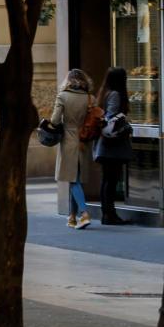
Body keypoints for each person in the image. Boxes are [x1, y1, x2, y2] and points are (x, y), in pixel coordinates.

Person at [51, 69, 94, 229]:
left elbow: (54, 121)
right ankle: (72, 217)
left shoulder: (62, 96)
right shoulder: (90, 98)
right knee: (74, 178)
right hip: (84, 141)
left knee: (73, 179)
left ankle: (84, 213)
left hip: (68, 140)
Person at [94, 67, 134, 225]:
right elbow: (112, 118)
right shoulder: (116, 94)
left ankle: (107, 214)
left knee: (107, 179)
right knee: (111, 180)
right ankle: (109, 215)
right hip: (112, 145)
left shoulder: (105, 92)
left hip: (104, 144)